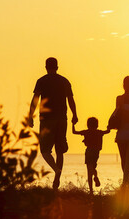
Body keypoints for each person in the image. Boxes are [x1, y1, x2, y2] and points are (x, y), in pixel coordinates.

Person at [28, 57, 78, 190]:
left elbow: (35, 99)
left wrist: (30, 116)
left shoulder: (41, 81)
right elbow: (71, 100)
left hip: (47, 119)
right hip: (62, 119)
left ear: (46, 67)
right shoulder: (64, 81)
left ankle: (56, 170)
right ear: (57, 67)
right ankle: (57, 179)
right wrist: (75, 115)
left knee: (45, 150)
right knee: (60, 151)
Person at [72, 117, 110, 195]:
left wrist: (73, 124)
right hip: (96, 153)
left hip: (89, 151)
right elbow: (108, 131)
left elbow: (74, 132)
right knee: (93, 168)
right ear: (97, 125)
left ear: (88, 125)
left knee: (89, 171)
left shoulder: (86, 132)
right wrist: (109, 125)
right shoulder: (99, 132)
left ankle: (91, 191)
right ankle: (95, 177)